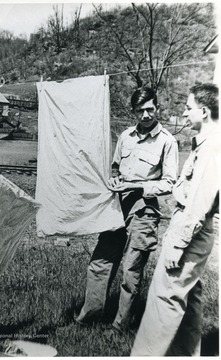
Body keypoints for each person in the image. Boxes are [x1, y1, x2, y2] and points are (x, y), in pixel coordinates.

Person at [76, 87, 179, 333]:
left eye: (150, 109)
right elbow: (114, 168)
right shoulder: (125, 136)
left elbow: (169, 183)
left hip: (144, 211)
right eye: (140, 110)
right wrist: (113, 180)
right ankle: (88, 318)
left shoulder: (167, 141)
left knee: (131, 271)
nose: (145, 115)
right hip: (116, 207)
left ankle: (120, 325)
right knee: (101, 261)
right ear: (133, 111)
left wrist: (137, 185)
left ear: (157, 108)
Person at [131, 83, 219, 356]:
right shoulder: (207, 144)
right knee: (189, 297)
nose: (184, 112)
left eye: (188, 107)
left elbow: (199, 203)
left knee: (164, 299)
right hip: (192, 228)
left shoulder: (212, 148)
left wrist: (179, 244)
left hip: (190, 230)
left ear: (203, 111)